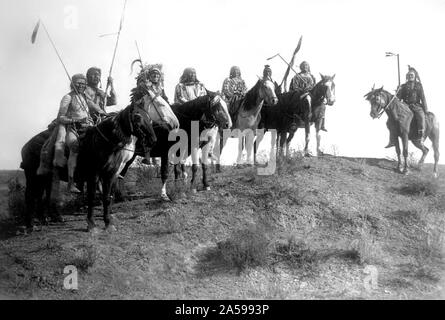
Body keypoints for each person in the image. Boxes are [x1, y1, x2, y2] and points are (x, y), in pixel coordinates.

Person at [54, 74, 95, 193]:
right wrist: (76, 120)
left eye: (83, 83)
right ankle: (71, 183)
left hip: (88, 127)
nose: (81, 86)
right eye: (78, 83)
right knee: (74, 148)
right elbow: (60, 117)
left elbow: (92, 108)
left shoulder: (85, 96)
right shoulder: (68, 97)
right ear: (72, 84)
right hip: (73, 129)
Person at [385, 66, 428, 148]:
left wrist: (426, 109)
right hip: (405, 106)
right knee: (391, 119)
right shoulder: (403, 86)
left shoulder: (419, 85)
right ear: (407, 76)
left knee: (421, 117)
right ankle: (392, 140)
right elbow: (398, 98)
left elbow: (423, 97)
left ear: (415, 76)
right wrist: (398, 91)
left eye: (412, 75)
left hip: (416, 106)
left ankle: (421, 137)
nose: (410, 76)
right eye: (409, 75)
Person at [289, 61, 327, 131]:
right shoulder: (297, 76)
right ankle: (294, 121)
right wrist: (303, 89)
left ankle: (321, 121)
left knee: (322, 102)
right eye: (303, 66)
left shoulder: (311, 76)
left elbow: (314, 86)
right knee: (296, 101)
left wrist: (310, 88)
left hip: (310, 93)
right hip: (300, 93)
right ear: (301, 67)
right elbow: (295, 87)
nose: (305, 67)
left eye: (306, 65)